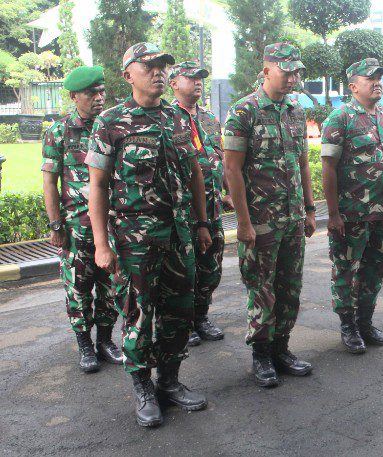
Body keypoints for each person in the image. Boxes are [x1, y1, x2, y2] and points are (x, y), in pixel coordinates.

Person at [86, 42, 212, 427]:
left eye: (163, 66)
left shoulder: (179, 118)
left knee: (179, 311)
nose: (159, 72)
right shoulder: (110, 122)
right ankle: (143, 387)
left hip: (179, 235)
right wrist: (101, 245)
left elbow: (195, 172)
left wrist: (202, 224)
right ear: (128, 75)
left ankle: (169, 381)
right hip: (134, 241)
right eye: (149, 66)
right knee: (139, 314)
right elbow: (97, 186)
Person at [223, 43, 315, 388]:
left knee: (290, 287)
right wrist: (243, 223)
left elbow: (302, 164)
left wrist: (309, 209)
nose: (292, 78)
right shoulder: (243, 111)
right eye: (286, 71)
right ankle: (261, 355)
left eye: (296, 72)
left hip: (292, 218)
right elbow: (232, 170)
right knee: (261, 289)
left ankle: (282, 349)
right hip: (260, 221)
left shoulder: (295, 111)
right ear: (266, 71)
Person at [41, 65, 122, 372]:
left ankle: (106, 340)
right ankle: (85, 344)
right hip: (76, 227)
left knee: (110, 286)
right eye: (91, 93)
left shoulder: (113, 127)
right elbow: (50, 182)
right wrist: (56, 225)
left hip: (112, 225)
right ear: (74, 96)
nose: (99, 98)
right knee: (78, 288)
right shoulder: (59, 131)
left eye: (101, 92)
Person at [321, 58, 383, 354]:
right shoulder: (340, 118)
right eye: (370, 79)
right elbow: (328, 167)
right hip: (351, 214)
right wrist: (333, 214)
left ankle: (365, 323)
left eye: (379, 78)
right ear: (353, 86)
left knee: (376, 269)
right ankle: (348, 326)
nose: (377, 83)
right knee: (346, 270)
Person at [169, 61, 226, 346]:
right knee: (184, 270)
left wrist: (228, 192)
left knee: (210, 268)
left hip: (213, 208)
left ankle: (201, 317)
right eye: (191, 78)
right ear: (173, 83)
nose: (198, 83)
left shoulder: (210, 119)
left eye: (201, 78)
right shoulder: (168, 119)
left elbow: (220, 158)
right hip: (184, 212)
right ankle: (185, 322)